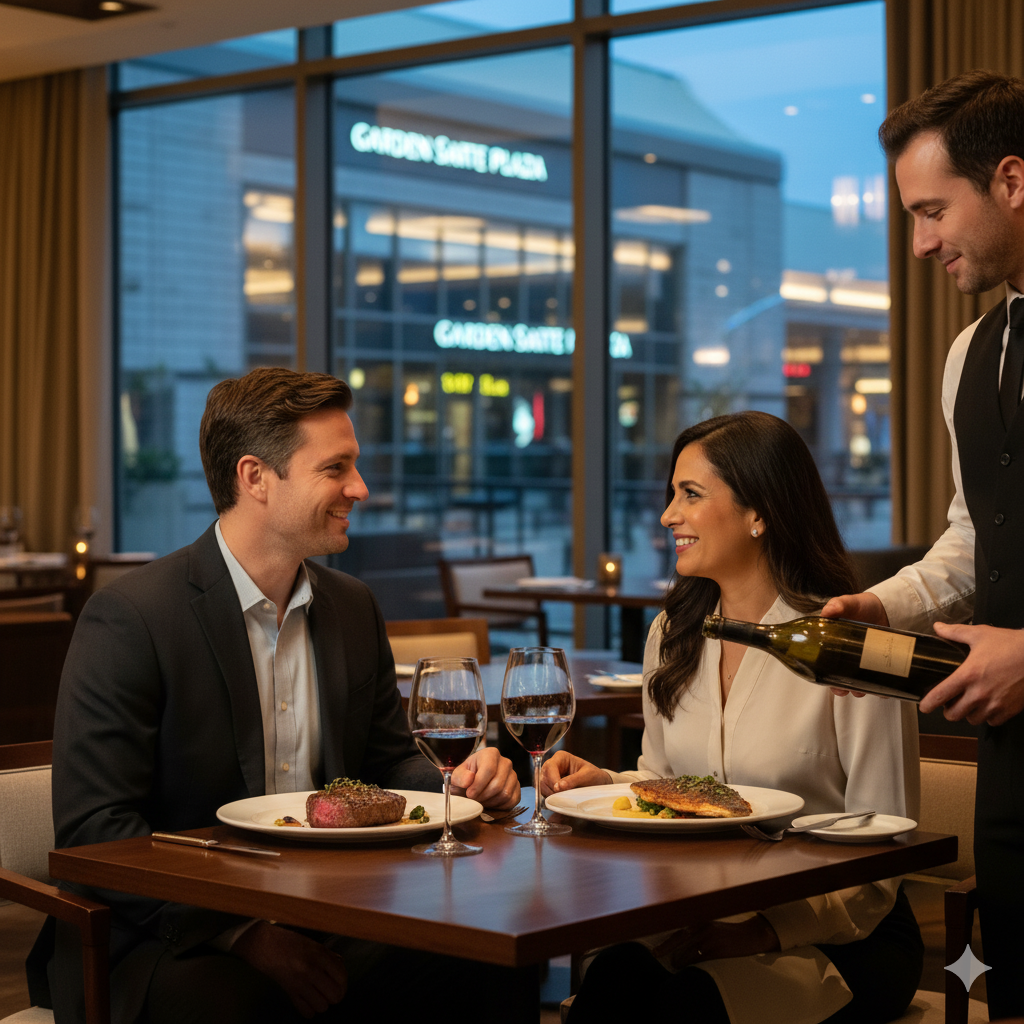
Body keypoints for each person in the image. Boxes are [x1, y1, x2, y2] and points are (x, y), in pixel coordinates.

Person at [41, 367, 522, 1024]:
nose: (360, 488)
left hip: (330, 913)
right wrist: (244, 934)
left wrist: (456, 781)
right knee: (247, 1005)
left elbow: (388, 765)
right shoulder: (130, 617)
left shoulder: (352, 607)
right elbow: (97, 834)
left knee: (492, 960)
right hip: (160, 940)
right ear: (255, 478)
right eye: (336, 468)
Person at [540, 411, 922, 1024]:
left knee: (687, 1005)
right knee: (611, 982)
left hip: (842, 931)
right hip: (706, 913)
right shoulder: (671, 634)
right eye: (672, 495)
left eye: (690, 494)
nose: (668, 515)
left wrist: (768, 931)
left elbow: (886, 842)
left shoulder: (848, 645)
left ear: (759, 512)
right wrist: (603, 783)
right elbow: (666, 788)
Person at [821, 70, 1024, 1021]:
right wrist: (886, 607)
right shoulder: (968, 353)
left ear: (1013, 181)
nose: (921, 243)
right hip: (1015, 766)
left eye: (934, 209)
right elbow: (969, 538)